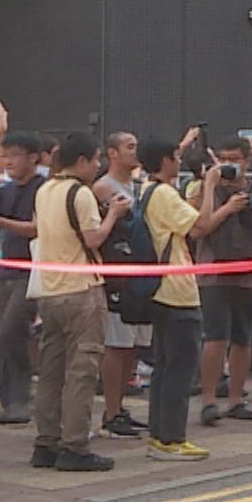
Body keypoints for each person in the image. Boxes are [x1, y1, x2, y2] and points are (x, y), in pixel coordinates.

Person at [28, 132, 130, 472]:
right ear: (82, 161)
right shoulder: (81, 193)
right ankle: (75, 445)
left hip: (50, 290)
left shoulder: (44, 191)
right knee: (82, 370)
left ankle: (46, 442)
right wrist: (113, 213)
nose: (98, 165)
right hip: (82, 289)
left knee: (51, 370)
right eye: (96, 159)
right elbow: (94, 237)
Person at [138, 137, 233, 461]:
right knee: (179, 368)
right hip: (177, 290)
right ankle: (172, 439)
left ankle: (159, 435)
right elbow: (200, 226)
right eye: (176, 156)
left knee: (165, 367)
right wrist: (209, 187)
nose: (180, 161)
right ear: (164, 161)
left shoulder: (146, 190)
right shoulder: (163, 193)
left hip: (158, 290)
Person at [191, 136, 252, 426]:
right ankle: (208, 400)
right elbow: (199, 228)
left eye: (235, 159)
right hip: (214, 273)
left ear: (247, 161)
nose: (229, 165)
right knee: (215, 337)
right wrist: (223, 202)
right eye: (223, 158)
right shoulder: (207, 189)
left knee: (243, 338)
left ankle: (235, 399)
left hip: (247, 274)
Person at [0, 132, 46, 424]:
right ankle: (11, 401)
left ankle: (21, 400)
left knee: (11, 331)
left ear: (34, 157)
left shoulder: (42, 189)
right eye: (5, 156)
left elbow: (36, 228)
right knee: (2, 337)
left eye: (15, 155)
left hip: (30, 271)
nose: (9, 162)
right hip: (4, 270)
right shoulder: (4, 191)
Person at [92, 130, 150, 438]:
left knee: (133, 345)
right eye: (129, 147)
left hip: (139, 272)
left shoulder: (139, 187)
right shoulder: (102, 188)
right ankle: (110, 412)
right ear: (112, 153)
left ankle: (120, 408)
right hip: (116, 272)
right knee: (116, 343)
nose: (134, 152)